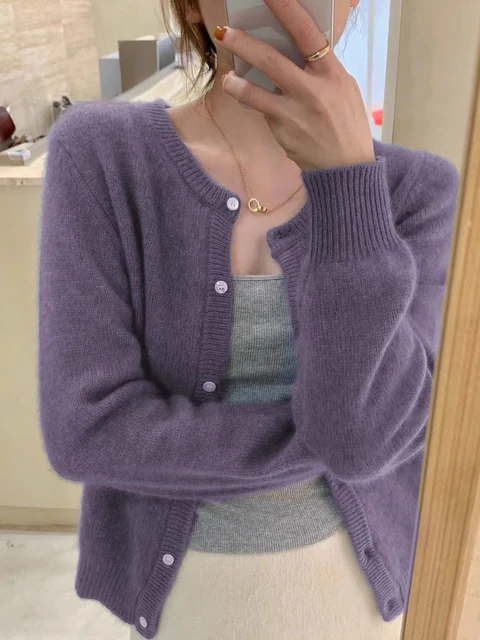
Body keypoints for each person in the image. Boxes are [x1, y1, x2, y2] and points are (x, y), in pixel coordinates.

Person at [37, 0, 459, 638]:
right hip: (186, 603)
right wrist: (317, 443)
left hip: (355, 602)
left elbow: (363, 442)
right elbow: (87, 430)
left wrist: (349, 185)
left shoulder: (416, 192)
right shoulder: (102, 156)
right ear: (191, 5)